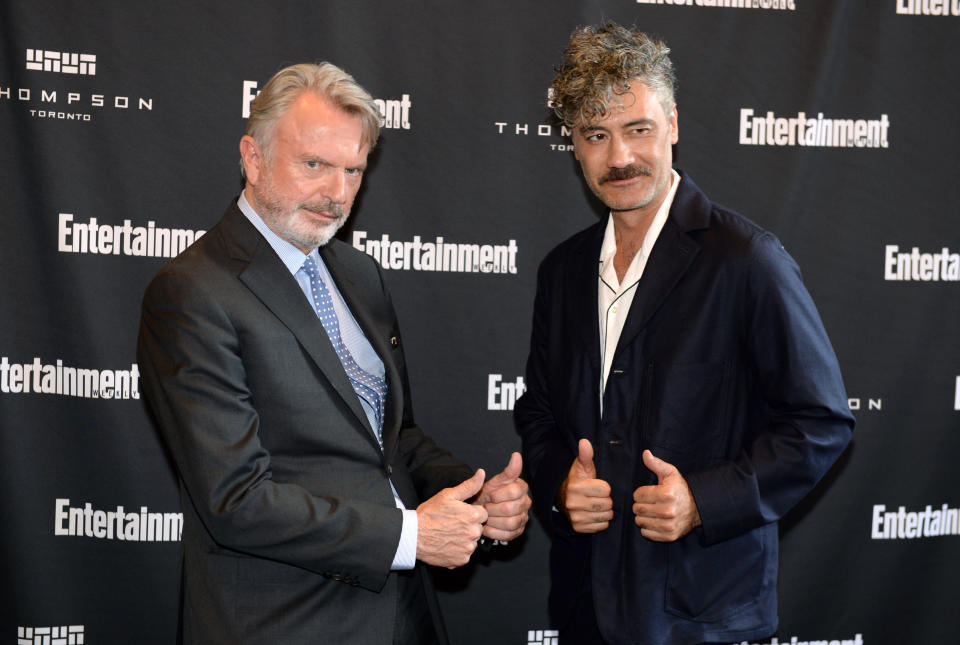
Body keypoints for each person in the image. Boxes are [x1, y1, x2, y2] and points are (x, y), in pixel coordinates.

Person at [137, 62, 530, 645]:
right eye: (314, 165)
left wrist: (473, 495)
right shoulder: (192, 292)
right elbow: (235, 500)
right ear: (252, 156)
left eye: (353, 170)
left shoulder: (357, 273)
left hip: (403, 616)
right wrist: (411, 537)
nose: (337, 194)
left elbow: (389, 440)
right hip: (282, 624)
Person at [515, 23, 854, 645]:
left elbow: (821, 422)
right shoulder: (561, 271)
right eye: (596, 135)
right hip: (584, 604)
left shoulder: (747, 260)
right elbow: (538, 411)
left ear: (672, 122)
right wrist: (560, 481)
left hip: (703, 612)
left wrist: (706, 499)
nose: (619, 157)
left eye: (637, 129)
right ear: (574, 146)